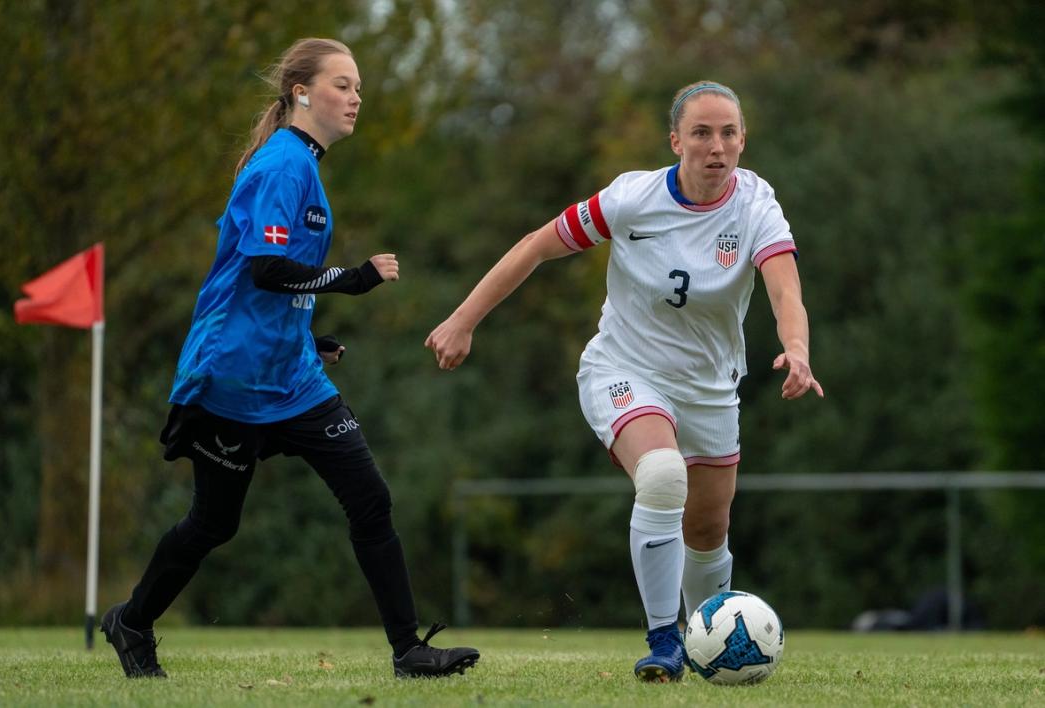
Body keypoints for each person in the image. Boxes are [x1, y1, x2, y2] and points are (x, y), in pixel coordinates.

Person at [100, 37, 479, 680]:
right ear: (301, 91)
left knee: (370, 499)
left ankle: (408, 651)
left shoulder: (303, 163)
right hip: (233, 379)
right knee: (214, 523)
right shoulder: (282, 166)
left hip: (295, 379)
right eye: (343, 84)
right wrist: (350, 279)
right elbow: (268, 269)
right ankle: (132, 622)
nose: (356, 96)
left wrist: (310, 336)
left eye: (359, 86)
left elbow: (278, 288)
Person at [426, 80, 822, 682]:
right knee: (662, 477)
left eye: (729, 133)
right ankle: (664, 642)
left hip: (710, 389)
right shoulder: (631, 199)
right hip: (625, 370)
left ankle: (711, 645)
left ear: (743, 139)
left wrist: (796, 349)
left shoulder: (756, 207)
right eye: (701, 133)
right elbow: (537, 245)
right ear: (675, 141)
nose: (717, 147)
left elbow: (785, 288)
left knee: (708, 532)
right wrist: (462, 319)